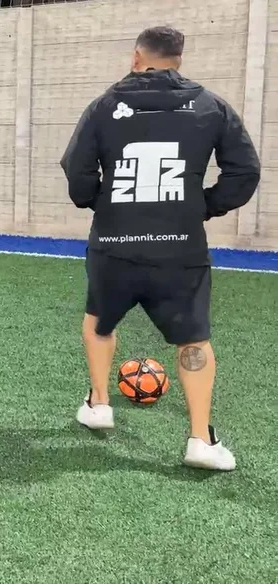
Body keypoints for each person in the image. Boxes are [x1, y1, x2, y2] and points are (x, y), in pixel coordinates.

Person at [60, 26, 261, 471]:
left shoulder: (104, 105)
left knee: (99, 321)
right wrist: (203, 206)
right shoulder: (210, 106)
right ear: (179, 59)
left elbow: (77, 172)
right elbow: (244, 171)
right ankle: (201, 440)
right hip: (180, 248)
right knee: (193, 339)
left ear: (137, 57)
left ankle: (99, 404)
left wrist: (99, 202)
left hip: (114, 243)